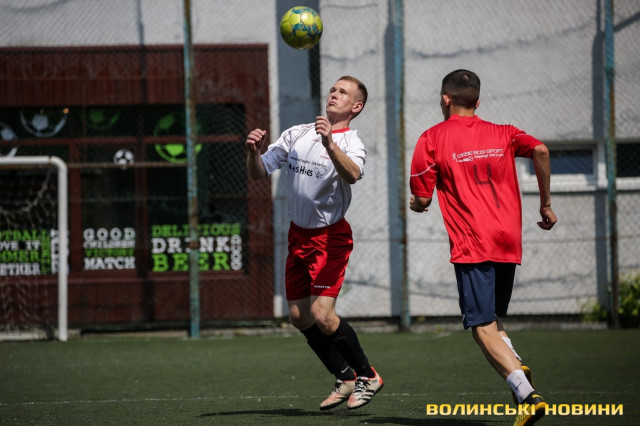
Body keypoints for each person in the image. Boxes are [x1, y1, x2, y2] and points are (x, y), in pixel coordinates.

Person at [409, 69, 557, 426]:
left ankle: (527, 395)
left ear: (446, 99)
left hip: (473, 242)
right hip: (507, 239)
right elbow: (540, 149)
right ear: (477, 100)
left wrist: (417, 204)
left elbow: (422, 198)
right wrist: (546, 204)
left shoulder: (431, 138)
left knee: (480, 327)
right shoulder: (505, 132)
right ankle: (516, 364)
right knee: (491, 318)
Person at [246, 76, 383, 411]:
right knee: (298, 316)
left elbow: (353, 174)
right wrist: (252, 153)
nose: (334, 94)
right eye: (333, 89)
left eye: (343, 92)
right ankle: (345, 376)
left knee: (322, 313)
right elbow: (259, 172)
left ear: (356, 107)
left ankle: (368, 375)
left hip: (330, 239)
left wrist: (330, 144)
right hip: (298, 236)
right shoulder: (298, 133)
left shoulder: (351, 142)